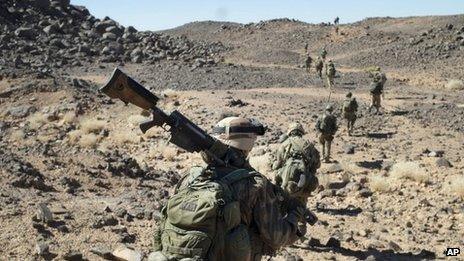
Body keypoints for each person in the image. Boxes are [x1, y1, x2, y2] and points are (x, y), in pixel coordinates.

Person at [150, 117, 305, 261]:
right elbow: (276, 237)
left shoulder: (191, 177)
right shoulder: (254, 184)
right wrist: (294, 219)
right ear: (247, 145)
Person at [272, 123, 320, 205]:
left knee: (275, 175)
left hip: (286, 182)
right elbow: (317, 164)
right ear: (301, 132)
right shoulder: (309, 145)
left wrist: (274, 166)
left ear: (290, 132)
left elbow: (278, 164)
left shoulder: (284, 144)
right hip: (303, 183)